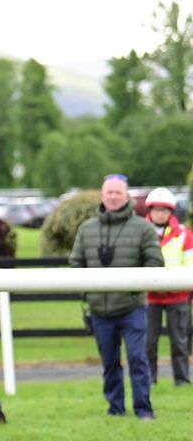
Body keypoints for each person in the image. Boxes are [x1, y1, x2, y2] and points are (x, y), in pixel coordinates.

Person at [69, 174, 164, 419]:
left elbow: (155, 263)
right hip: (99, 310)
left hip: (132, 308)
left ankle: (144, 410)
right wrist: (88, 294)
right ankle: (115, 410)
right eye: (109, 192)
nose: (112, 197)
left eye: (117, 192)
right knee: (109, 363)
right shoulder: (87, 229)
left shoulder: (143, 228)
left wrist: (134, 288)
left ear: (127, 196)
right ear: (102, 195)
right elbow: (75, 264)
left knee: (137, 359)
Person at [143, 187, 193, 385]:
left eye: (164, 210)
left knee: (179, 341)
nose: (160, 214)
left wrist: (175, 284)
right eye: (156, 209)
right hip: (149, 296)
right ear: (150, 211)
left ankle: (182, 380)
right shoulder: (141, 232)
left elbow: (190, 263)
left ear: (171, 211)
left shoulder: (184, 234)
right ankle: (149, 380)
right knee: (148, 341)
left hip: (178, 296)